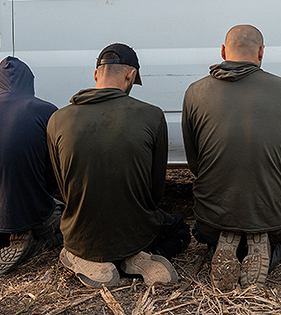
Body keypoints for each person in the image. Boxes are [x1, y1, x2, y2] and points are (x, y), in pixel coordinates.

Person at [47, 43, 190, 288]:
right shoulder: (152, 115)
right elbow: (155, 192)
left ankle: (83, 258)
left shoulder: (58, 119)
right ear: (130, 75)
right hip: (137, 234)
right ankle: (134, 257)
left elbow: (63, 186)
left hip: (82, 237)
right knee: (179, 228)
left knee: (71, 225)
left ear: (95, 75)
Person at [182, 25, 281, 291]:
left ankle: (223, 245)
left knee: (207, 228)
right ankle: (263, 245)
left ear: (223, 51)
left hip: (210, 219)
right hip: (271, 216)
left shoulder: (195, 92)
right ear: (261, 52)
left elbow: (194, 164)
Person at [0, 57, 62, 275]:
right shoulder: (47, 111)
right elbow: (53, 171)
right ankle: (36, 241)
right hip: (31, 209)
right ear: (30, 83)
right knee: (65, 220)